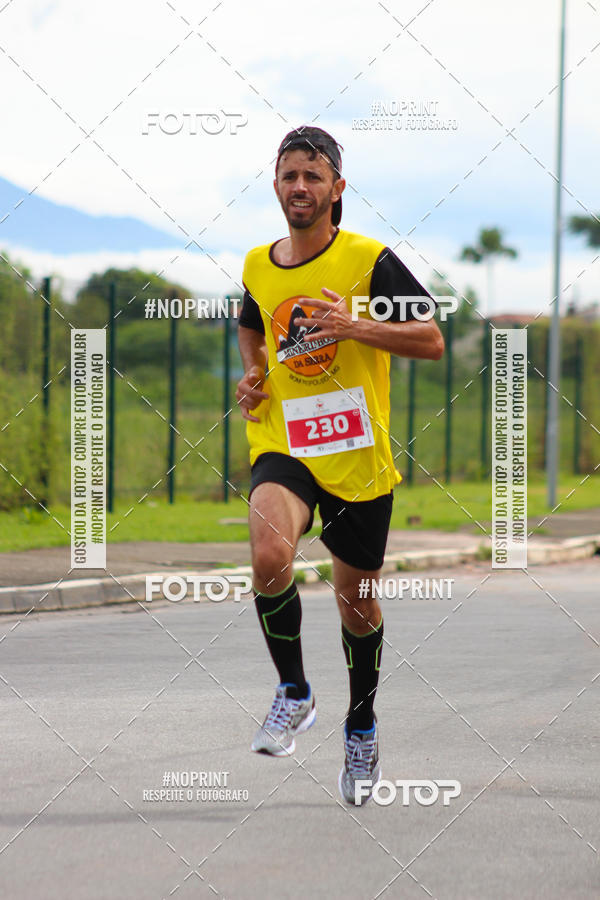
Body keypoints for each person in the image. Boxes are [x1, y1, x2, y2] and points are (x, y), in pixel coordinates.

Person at [235, 126, 444, 805]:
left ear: (337, 189)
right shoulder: (258, 263)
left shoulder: (369, 259)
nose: (300, 187)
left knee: (356, 604)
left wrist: (358, 327)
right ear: (276, 185)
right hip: (286, 443)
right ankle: (294, 692)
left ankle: (360, 725)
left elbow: (431, 338)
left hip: (356, 457)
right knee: (269, 555)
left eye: (313, 176)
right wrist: (253, 373)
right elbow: (251, 321)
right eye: (289, 175)